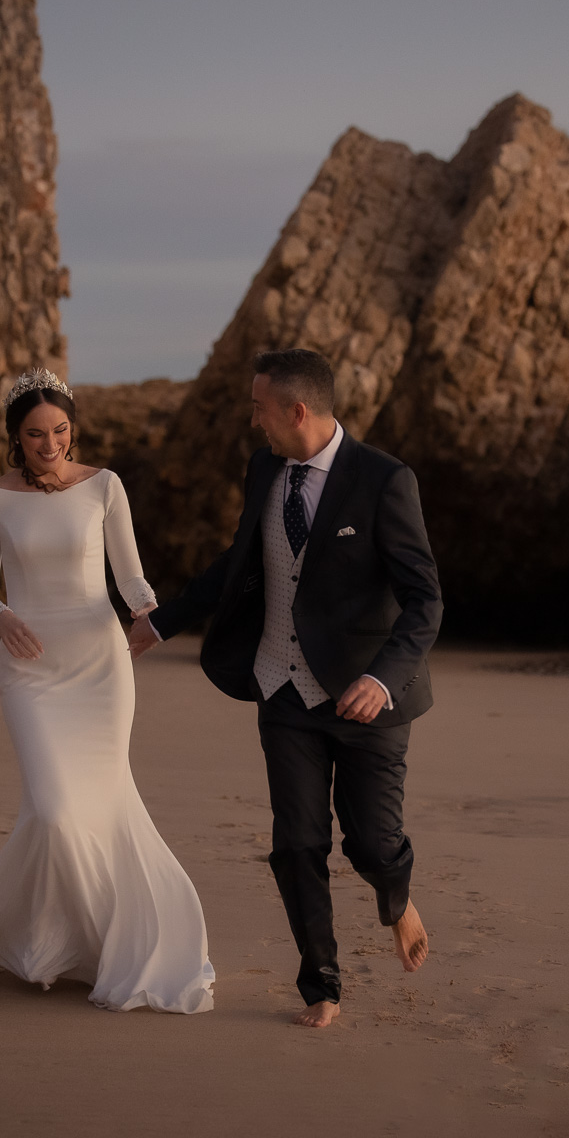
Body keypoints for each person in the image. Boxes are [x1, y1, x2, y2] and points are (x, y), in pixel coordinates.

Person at [130, 348, 441, 1028]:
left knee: (371, 841)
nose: (252, 420)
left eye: (259, 408)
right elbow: (238, 561)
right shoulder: (265, 469)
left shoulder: (385, 481)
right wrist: (163, 622)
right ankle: (321, 982)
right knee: (296, 842)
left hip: (367, 701)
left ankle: (396, 897)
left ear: (297, 411)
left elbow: (426, 601)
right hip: (284, 690)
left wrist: (382, 679)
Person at [0, 368, 215, 1014]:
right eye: (36, 434)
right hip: (29, 673)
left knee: (93, 805)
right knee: (55, 809)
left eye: (60, 431)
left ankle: (77, 948)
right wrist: (1, 617)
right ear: (16, 437)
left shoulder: (104, 487)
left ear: (72, 429)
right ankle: (74, 941)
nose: (50, 443)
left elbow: (132, 578)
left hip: (100, 667)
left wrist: (154, 616)